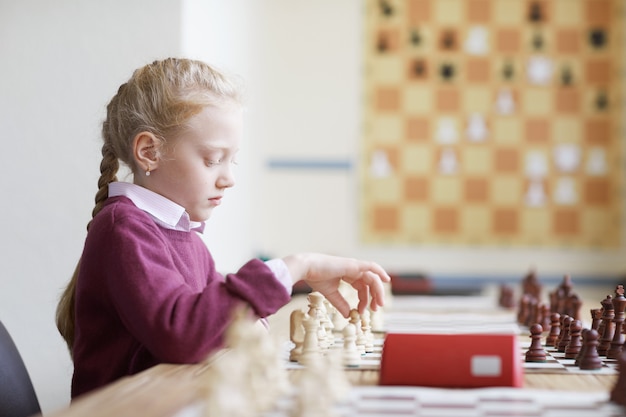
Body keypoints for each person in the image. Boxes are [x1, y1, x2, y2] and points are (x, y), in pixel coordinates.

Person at [55, 58, 391, 398]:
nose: (229, 178)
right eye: (214, 159)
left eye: (233, 160)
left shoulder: (184, 235)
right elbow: (182, 334)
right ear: (149, 152)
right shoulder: (124, 229)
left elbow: (220, 319)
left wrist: (252, 322)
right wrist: (296, 267)